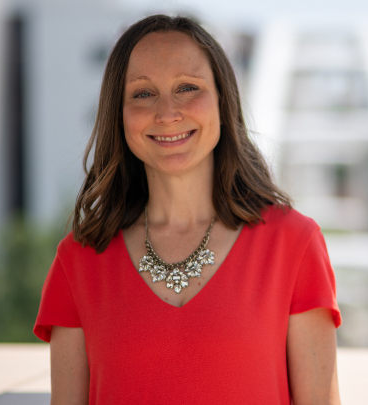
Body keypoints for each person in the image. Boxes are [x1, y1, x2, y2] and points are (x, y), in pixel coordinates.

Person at [34, 14, 342, 405]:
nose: (167, 113)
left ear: (222, 99)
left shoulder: (294, 245)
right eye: (143, 94)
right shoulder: (77, 262)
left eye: (187, 88)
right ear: (119, 113)